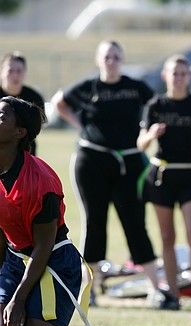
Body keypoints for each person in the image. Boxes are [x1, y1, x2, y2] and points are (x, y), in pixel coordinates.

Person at [0, 96, 116, 326]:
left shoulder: (40, 180)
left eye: (1, 115)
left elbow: (44, 245)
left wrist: (18, 300)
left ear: (20, 131)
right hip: (16, 259)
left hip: (53, 264)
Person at [51, 40, 160, 305]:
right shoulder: (89, 87)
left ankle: (156, 288)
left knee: (134, 222)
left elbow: (157, 107)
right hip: (92, 162)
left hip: (129, 163)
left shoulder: (135, 87)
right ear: (99, 60)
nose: (111, 62)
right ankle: (90, 289)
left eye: (116, 57)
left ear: (122, 60)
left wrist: (148, 132)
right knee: (95, 221)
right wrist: (81, 125)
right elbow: (59, 102)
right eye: (107, 57)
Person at [137, 55, 191, 311]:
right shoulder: (156, 105)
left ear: (189, 76)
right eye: (174, 73)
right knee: (167, 237)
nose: (179, 77)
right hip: (163, 175)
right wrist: (151, 134)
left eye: (183, 73)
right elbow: (141, 143)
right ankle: (172, 295)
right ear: (165, 75)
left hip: (190, 174)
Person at [0, 52, 45, 155]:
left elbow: (36, 128)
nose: (15, 75)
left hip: (25, 152)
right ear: (2, 72)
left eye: (19, 71)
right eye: (10, 70)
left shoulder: (34, 98)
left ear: (25, 73)